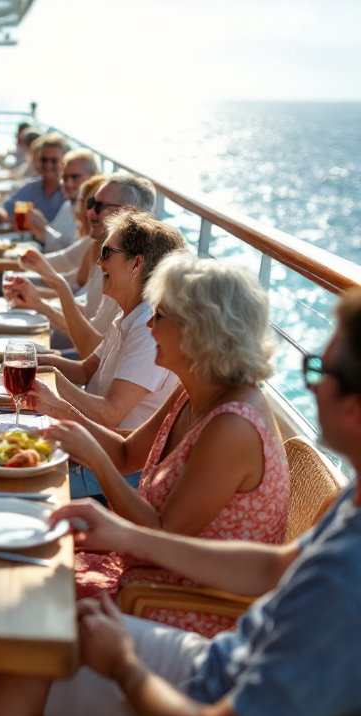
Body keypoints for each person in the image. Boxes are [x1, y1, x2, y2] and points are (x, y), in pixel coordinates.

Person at [0, 290, 361, 716]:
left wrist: (125, 668)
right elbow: (279, 566)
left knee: (23, 658)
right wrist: (128, 536)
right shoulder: (356, 499)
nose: (313, 388)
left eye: (320, 375)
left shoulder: (345, 583)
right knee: (22, 642)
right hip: (223, 657)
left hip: (202, 660)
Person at [35, 252, 289, 631]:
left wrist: (94, 460)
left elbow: (160, 533)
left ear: (199, 331)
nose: (149, 324)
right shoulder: (194, 390)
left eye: (161, 315)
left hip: (184, 605)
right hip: (146, 570)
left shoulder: (234, 426)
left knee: (22, 595)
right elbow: (126, 454)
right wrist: (60, 410)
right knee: (20, 568)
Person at [32, 212, 183, 491]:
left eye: (107, 252)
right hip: (91, 446)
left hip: (117, 472)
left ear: (136, 264)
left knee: (14, 473)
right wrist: (27, 360)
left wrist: (48, 378)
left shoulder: (149, 329)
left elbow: (109, 414)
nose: (99, 262)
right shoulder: (130, 315)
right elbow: (85, 369)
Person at [6, 173, 156, 358]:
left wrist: (54, 289)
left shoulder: (128, 273)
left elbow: (91, 351)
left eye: (99, 206)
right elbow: (87, 312)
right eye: (90, 203)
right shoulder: (106, 255)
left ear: (129, 212)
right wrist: (37, 300)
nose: (89, 213)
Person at [29, 149, 100, 251]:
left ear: (93, 177)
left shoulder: (95, 214)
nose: (68, 184)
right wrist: (40, 227)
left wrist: (44, 229)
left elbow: (71, 258)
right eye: (65, 178)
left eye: (74, 177)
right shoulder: (68, 205)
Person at [0, 133, 69, 224]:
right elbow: (3, 208)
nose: (48, 165)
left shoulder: (70, 193)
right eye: (44, 160)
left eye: (54, 160)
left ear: (64, 162)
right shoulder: (31, 188)